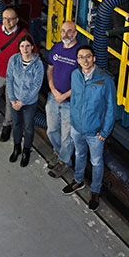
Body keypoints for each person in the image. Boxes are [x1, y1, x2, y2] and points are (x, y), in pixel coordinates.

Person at [62, 45, 115, 211]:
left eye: (88, 56)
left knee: (96, 161)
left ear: (94, 59)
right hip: (77, 128)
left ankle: (95, 190)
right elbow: (75, 101)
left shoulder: (104, 80)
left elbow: (111, 108)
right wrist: (73, 120)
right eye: (81, 57)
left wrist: (105, 132)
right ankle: (78, 180)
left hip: (95, 132)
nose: (84, 60)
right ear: (77, 60)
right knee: (79, 154)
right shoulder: (75, 75)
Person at [0, 7, 30, 141]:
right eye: (5, 18)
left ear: (16, 20)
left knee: (11, 102)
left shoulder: (23, 35)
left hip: (14, 77)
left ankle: (7, 124)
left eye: (10, 19)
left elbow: (32, 55)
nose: (7, 21)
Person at [45, 20, 81, 177]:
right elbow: (50, 70)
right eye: (63, 31)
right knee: (51, 130)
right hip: (53, 97)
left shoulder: (81, 53)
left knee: (67, 136)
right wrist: (53, 91)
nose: (66, 34)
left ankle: (64, 162)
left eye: (69, 31)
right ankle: (58, 152)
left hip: (70, 102)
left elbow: (83, 82)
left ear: (75, 33)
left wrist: (64, 96)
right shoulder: (56, 48)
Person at [5, 34, 44, 167]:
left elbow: (36, 86)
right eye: (22, 46)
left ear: (32, 47)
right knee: (16, 124)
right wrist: (12, 99)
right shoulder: (13, 60)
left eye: (28, 46)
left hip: (29, 103)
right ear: (19, 48)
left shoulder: (38, 64)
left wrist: (23, 101)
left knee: (28, 127)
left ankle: (26, 150)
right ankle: (17, 148)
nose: (25, 49)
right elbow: (9, 79)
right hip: (14, 100)